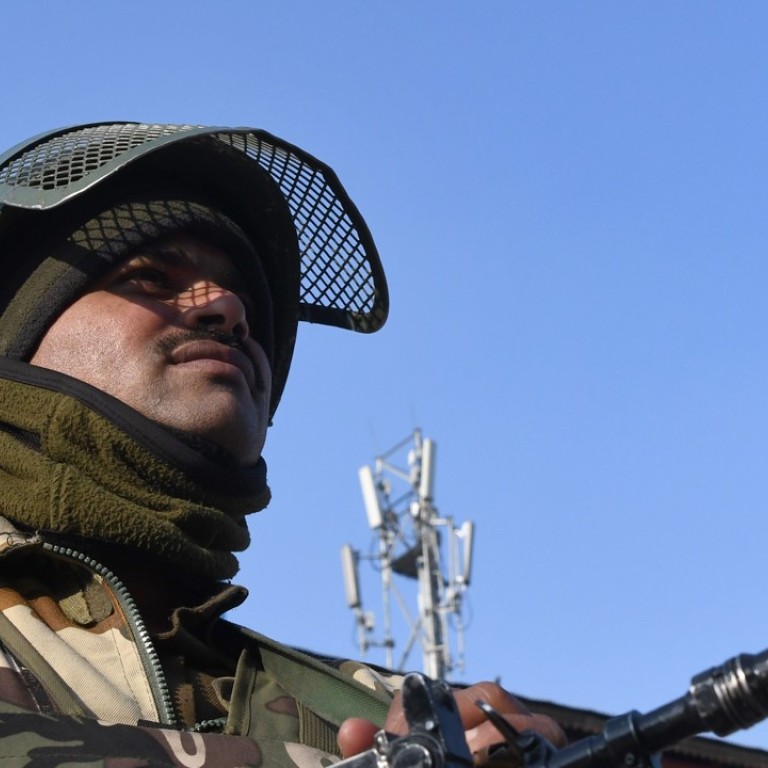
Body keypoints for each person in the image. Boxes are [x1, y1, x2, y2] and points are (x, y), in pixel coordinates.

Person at [0, 122, 563, 766]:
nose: (229, 310)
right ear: (18, 337)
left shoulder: (371, 716)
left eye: (247, 305)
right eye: (150, 277)